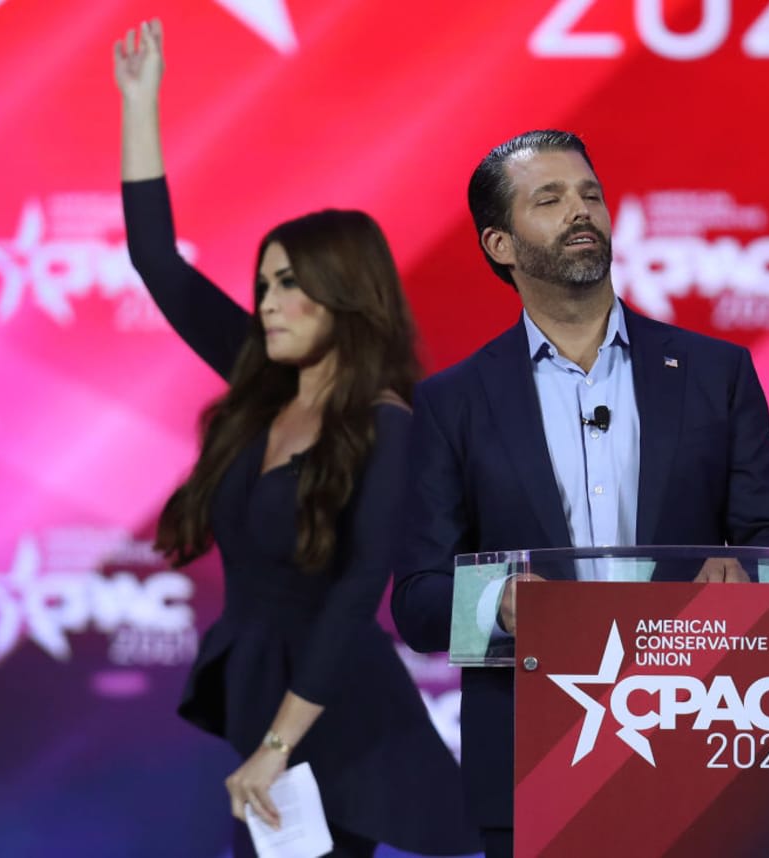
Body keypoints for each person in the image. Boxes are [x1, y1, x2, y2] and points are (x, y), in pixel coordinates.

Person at [114, 20, 478, 858]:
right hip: (264, 696)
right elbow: (156, 262)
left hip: (336, 717)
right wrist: (141, 106)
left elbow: (355, 597)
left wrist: (278, 746)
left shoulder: (389, 427)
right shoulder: (261, 378)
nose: (269, 302)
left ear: (344, 296)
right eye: (264, 283)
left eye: (290, 285)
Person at [389, 130, 769, 857]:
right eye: (548, 200)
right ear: (500, 245)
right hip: (536, 767)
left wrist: (749, 580)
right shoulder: (453, 403)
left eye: (590, 194)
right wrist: (499, 604)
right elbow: (419, 601)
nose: (581, 211)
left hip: (704, 744)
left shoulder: (716, 374)